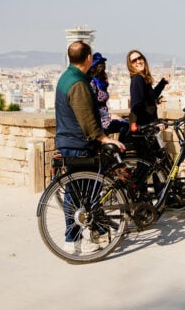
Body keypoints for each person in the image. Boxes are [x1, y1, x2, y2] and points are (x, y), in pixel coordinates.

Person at [55, 41, 125, 254]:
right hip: (79, 144)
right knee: (86, 194)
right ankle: (84, 238)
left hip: (68, 141)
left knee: (74, 192)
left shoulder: (66, 78)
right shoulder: (78, 84)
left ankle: (73, 239)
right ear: (87, 58)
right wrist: (104, 139)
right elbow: (87, 119)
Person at [88, 52, 129, 136]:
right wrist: (109, 116)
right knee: (126, 125)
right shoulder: (92, 83)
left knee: (126, 124)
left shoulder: (101, 83)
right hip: (100, 121)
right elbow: (91, 105)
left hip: (105, 119)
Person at [127, 49, 170, 126]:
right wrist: (151, 124)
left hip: (147, 127)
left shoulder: (142, 79)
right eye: (134, 60)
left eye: (140, 58)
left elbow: (152, 96)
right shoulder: (138, 79)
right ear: (131, 65)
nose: (138, 61)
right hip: (143, 128)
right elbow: (137, 106)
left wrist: (163, 82)